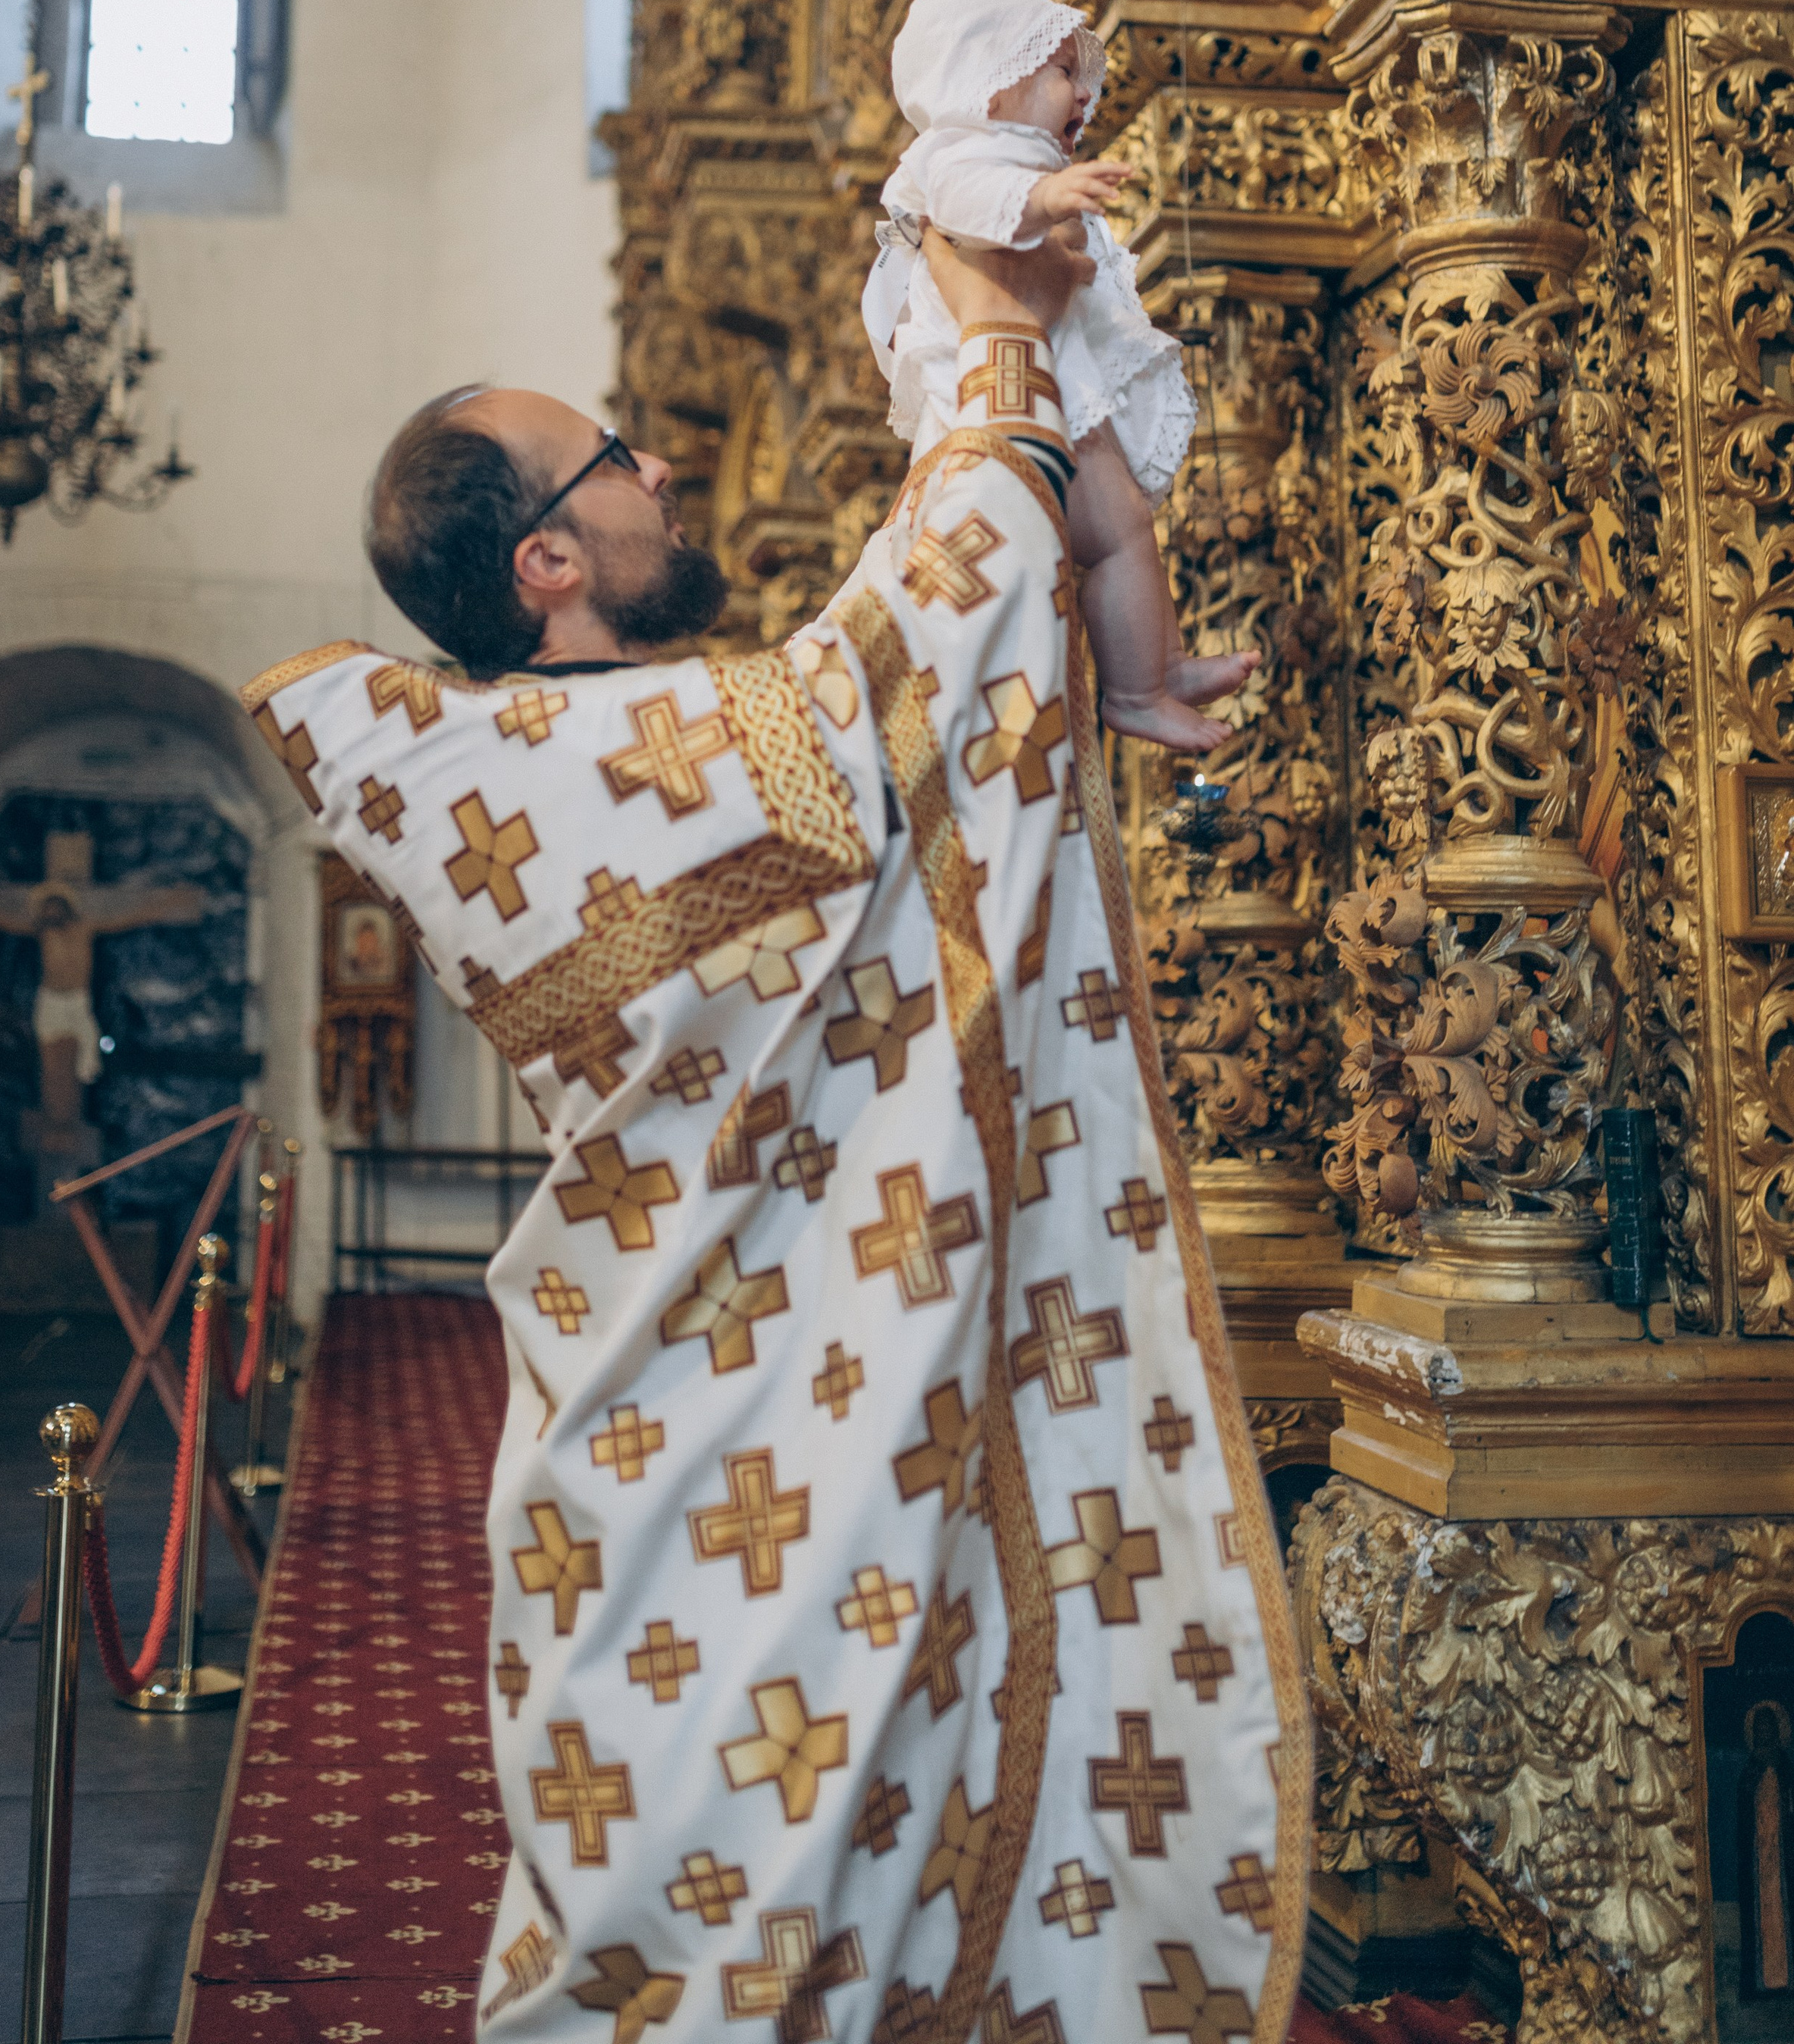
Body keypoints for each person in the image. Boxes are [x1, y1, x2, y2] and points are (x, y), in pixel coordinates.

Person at [244, 224, 1307, 2042]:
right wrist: (989, 347)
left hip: (765, 1387)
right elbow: (886, 672)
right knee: (702, 1901)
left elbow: (891, 721)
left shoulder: (609, 751)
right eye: (613, 461)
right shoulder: (576, 766)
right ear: (550, 557)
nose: (659, 467)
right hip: (710, 1420)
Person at [863, 0, 1257, 753]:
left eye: (1084, 75)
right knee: (1114, 531)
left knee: (1124, 530)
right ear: (988, 82)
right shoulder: (956, 153)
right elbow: (969, 207)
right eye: (1060, 72)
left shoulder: (1019, 154)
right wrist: (1043, 201)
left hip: (1055, 377)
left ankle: (1153, 670)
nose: (1083, 92)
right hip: (999, 394)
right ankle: (1142, 688)